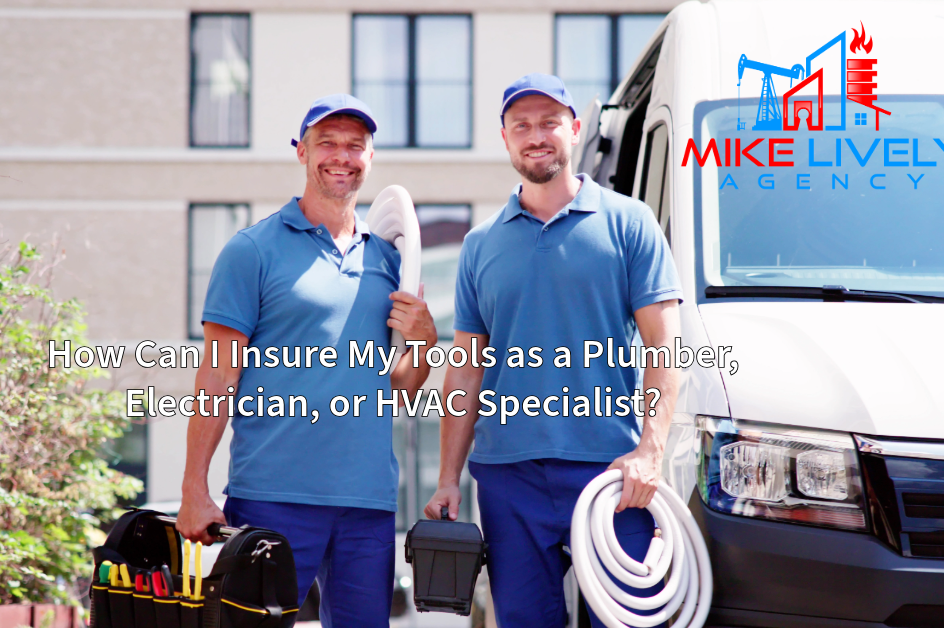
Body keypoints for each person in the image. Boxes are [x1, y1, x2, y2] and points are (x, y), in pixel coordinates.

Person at [424, 74, 682, 627]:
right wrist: (449, 477)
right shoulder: (480, 244)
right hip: (507, 477)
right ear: (505, 138)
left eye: (549, 123)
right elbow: (465, 370)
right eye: (522, 125)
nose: (536, 135)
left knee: (624, 621)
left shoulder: (629, 223)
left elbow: (666, 344)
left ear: (575, 130)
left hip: (611, 473)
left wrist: (650, 452)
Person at [177, 94, 438, 627]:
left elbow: (403, 390)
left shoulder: (391, 260)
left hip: (366, 501)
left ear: (370, 157)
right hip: (271, 496)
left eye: (355, 146)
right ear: (301, 151)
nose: (341, 156)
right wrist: (193, 489)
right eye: (327, 143)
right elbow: (217, 376)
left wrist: (426, 342)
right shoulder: (252, 251)